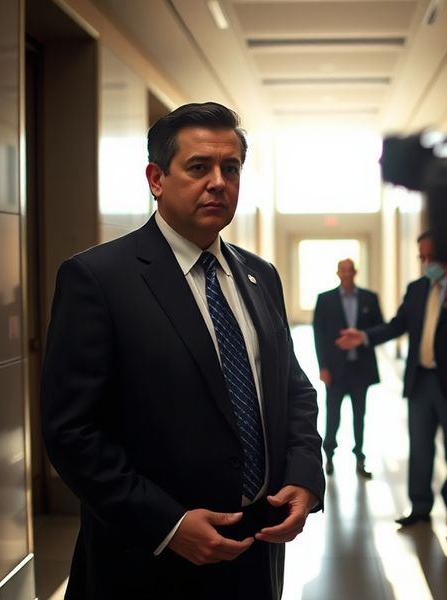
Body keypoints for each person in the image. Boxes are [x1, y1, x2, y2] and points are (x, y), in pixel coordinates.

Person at [41, 102, 325, 599]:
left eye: (230, 168)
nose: (218, 181)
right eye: (199, 167)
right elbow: (71, 431)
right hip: (146, 561)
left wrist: (304, 475)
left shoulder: (261, 276)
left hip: (256, 548)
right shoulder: (99, 279)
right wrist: (168, 524)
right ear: (156, 178)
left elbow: (292, 388)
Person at [336, 231, 447, 536]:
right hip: (421, 381)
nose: (426, 262)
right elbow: (397, 325)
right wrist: (365, 337)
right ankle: (420, 507)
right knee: (420, 448)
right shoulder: (417, 289)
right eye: (422, 257)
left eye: (430, 255)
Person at [313, 258, 384, 478]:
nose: (346, 274)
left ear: (355, 272)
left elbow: (380, 329)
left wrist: (363, 338)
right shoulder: (325, 300)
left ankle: (360, 458)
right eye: (342, 270)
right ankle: (330, 456)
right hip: (335, 370)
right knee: (332, 415)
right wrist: (323, 367)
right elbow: (319, 336)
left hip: (360, 369)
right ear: (338, 273)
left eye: (349, 270)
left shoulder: (369, 299)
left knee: (359, 415)